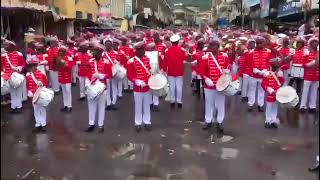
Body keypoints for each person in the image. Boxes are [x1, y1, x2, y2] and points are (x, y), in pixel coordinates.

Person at [198, 38, 230, 134]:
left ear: (218, 47)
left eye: (213, 46)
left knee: (220, 104)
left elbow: (228, 66)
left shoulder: (224, 56)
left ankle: (220, 121)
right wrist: (205, 78)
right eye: (210, 45)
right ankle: (208, 120)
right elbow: (200, 69)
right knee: (209, 103)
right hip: (209, 85)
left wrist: (227, 70)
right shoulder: (205, 57)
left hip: (221, 84)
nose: (211, 47)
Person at [127, 41, 152, 132]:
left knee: (147, 105)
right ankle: (137, 123)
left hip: (147, 86)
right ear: (137, 51)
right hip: (137, 88)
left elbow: (151, 71)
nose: (143, 51)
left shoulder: (148, 59)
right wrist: (136, 81)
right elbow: (129, 75)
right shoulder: (131, 61)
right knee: (138, 105)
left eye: (143, 49)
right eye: (141, 50)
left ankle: (147, 122)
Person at [84, 43, 109, 133]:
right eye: (93, 51)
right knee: (91, 106)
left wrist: (102, 76)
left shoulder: (105, 62)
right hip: (91, 86)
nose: (94, 53)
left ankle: (101, 125)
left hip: (102, 87)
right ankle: (91, 124)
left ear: (100, 52)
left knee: (101, 106)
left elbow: (110, 74)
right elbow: (86, 73)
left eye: (96, 51)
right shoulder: (90, 61)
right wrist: (87, 83)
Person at [247, 36, 272, 112]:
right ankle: (250, 104)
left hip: (263, 75)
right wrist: (255, 69)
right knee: (252, 90)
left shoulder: (268, 51)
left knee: (262, 90)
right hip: (253, 75)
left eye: (261, 43)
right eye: (257, 43)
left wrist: (265, 70)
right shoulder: (251, 52)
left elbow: (269, 62)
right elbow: (249, 63)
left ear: (264, 44)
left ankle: (260, 105)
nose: (259, 45)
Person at [1, 40, 26, 113]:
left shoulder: (19, 54)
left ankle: (19, 106)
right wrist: (3, 75)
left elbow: (23, 64)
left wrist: (20, 68)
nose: (5, 47)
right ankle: (14, 106)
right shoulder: (3, 56)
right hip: (8, 76)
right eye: (4, 45)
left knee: (18, 92)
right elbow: (1, 67)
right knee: (12, 92)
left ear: (12, 46)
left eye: (6, 45)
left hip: (17, 76)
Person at [164, 34, 188, 109]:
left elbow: (165, 62)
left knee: (172, 87)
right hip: (179, 71)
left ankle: (172, 102)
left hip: (171, 71)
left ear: (171, 42)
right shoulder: (182, 50)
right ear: (178, 42)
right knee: (179, 87)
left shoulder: (167, 50)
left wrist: (165, 69)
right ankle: (179, 102)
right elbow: (185, 59)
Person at [25, 59, 49, 132]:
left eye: (34, 65)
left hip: (40, 94)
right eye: (31, 66)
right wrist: (29, 92)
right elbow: (27, 85)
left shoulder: (41, 74)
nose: (32, 67)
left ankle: (43, 124)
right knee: (36, 110)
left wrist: (42, 85)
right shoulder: (28, 75)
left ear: (36, 66)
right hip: (33, 95)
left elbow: (46, 83)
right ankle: (38, 124)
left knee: (42, 109)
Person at [261, 62, 284, 129]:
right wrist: (270, 90)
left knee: (275, 107)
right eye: (275, 67)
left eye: (277, 67)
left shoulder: (279, 74)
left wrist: (279, 90)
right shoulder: (267, 74)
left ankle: (273, 121)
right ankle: (267, 121)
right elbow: (263, 84)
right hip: (270, 93)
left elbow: (282, 82)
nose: (276, 68)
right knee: (269, 107)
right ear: (271, 67)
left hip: (277, 92)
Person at [300, 37, 319, 113]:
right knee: (305, 91)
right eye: (314, 42)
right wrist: (313, 63)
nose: (315, 44)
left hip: (317, 75)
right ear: (310, 44)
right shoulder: (306, 52)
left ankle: (312, 106)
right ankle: (303, 106)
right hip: (308, 75)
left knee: (314, 91)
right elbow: (303, 64)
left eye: (316, 42)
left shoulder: (318, 53)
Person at [55, 46, 74, 112]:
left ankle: (70, 106)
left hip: (67, 77)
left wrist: (64, 62)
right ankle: (65, 105)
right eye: (59, 51)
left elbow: (70, 68)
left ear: (65, 52)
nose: (60, 52)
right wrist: (58, 62)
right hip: (61, 77)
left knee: (68, 91)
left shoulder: (69, 58)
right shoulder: (58, 58)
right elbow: (56, 67)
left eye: (62, 51)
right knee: (64, 92)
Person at [102, 38, 119, 110]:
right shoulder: (103, 54)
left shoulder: (116, 53)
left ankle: (114, 102)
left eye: (109, 44)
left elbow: (119, 63)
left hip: (114, 73)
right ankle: (108, 103)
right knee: (107, 89)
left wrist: (117, 62)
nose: (108, 46)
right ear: (105, 45)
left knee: (114, 88)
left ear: (111, 45)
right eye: (106, 45)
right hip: (106, 74)